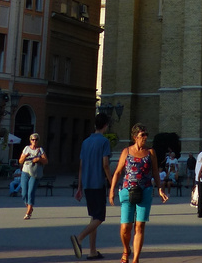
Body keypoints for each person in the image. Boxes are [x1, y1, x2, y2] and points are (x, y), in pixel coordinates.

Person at [109, 123, 168, 263]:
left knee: (139, 226)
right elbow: (118, 172)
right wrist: (111, 191)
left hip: (145, 191)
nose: (145, 138)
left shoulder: (150, 152)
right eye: (142, 135)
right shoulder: (126, 152)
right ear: (135, 137)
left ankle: (135, 259)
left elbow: (155, 172)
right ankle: (125, 249)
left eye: (146, 135)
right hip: (127, 191)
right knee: (125, 227)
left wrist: (160, 189)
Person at [71, 113, 112, 260]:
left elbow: (81, 166)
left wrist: (80, 187)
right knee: (100, 217)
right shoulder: (104, 142)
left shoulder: (86, 142)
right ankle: (79, 238)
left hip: (87, 183)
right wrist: (112, 181)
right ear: (106, 125)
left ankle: (92, 251)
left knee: (94, 216)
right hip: (97, 183)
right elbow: (105, 164)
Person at [18, 132, 48, 218]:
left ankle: (28, 212)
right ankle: (29, 207)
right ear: (30, 140)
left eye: (36, 139)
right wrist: (25, 156)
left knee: (30, 192)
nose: (34, 141)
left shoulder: (40, 150)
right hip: (25, 171)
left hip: (35, 173)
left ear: (38, 140)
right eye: (33, 139)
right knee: (24, 193)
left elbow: (46, 161)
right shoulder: (26, 148)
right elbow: (20, 161)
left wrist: (39, 159)